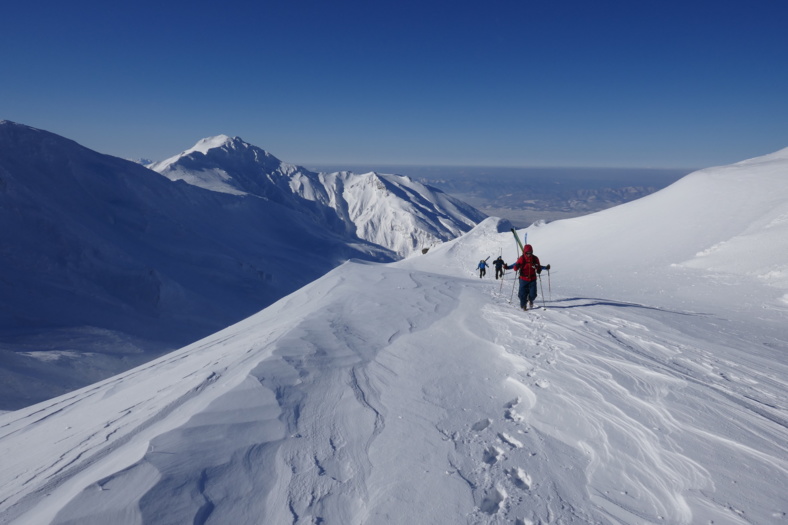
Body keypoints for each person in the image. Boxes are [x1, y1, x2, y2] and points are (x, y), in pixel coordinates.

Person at [506, 244, 550, 310]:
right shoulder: (521, 258)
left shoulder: (535, 258)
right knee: (522, 295)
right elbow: (514, 266)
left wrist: (543, 268)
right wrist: (513, 267)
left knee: (533, 295)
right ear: (525, 252)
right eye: (527, 253)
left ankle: (530, 300)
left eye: (530, 253)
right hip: (523, 279)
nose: (529, 254)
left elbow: (538, 266)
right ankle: (523, 305)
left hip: (532, 279)